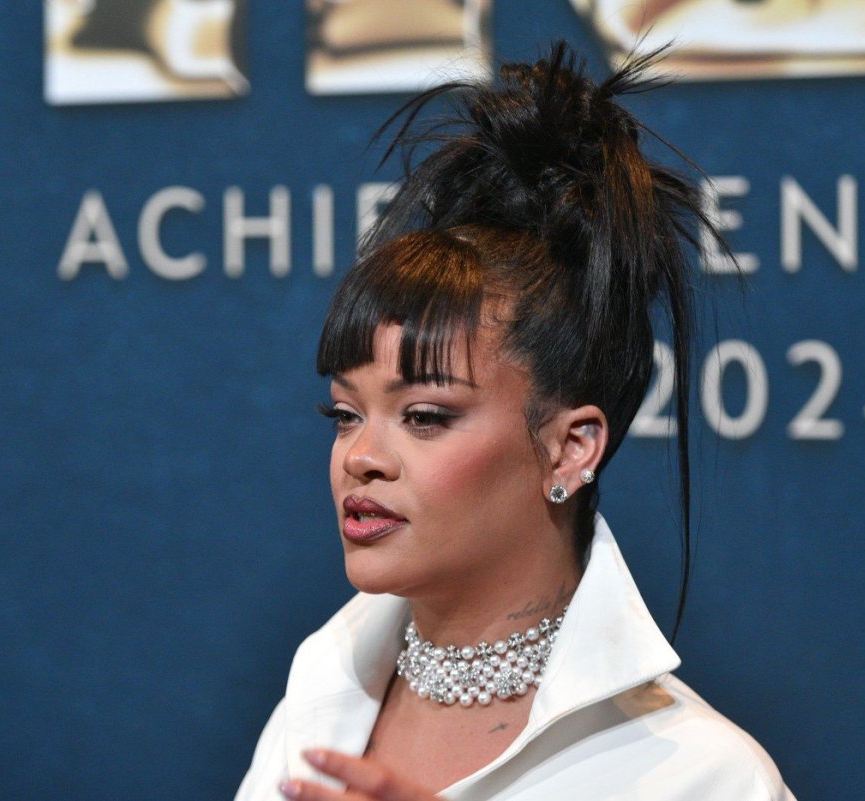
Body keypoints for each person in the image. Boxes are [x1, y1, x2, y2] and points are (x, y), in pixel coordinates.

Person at [235, 42, 796, 801]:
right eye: (344, 413)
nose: (361, 456)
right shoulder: (314, 701)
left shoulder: (704, 776)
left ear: (571, 448)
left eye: (424, 415)